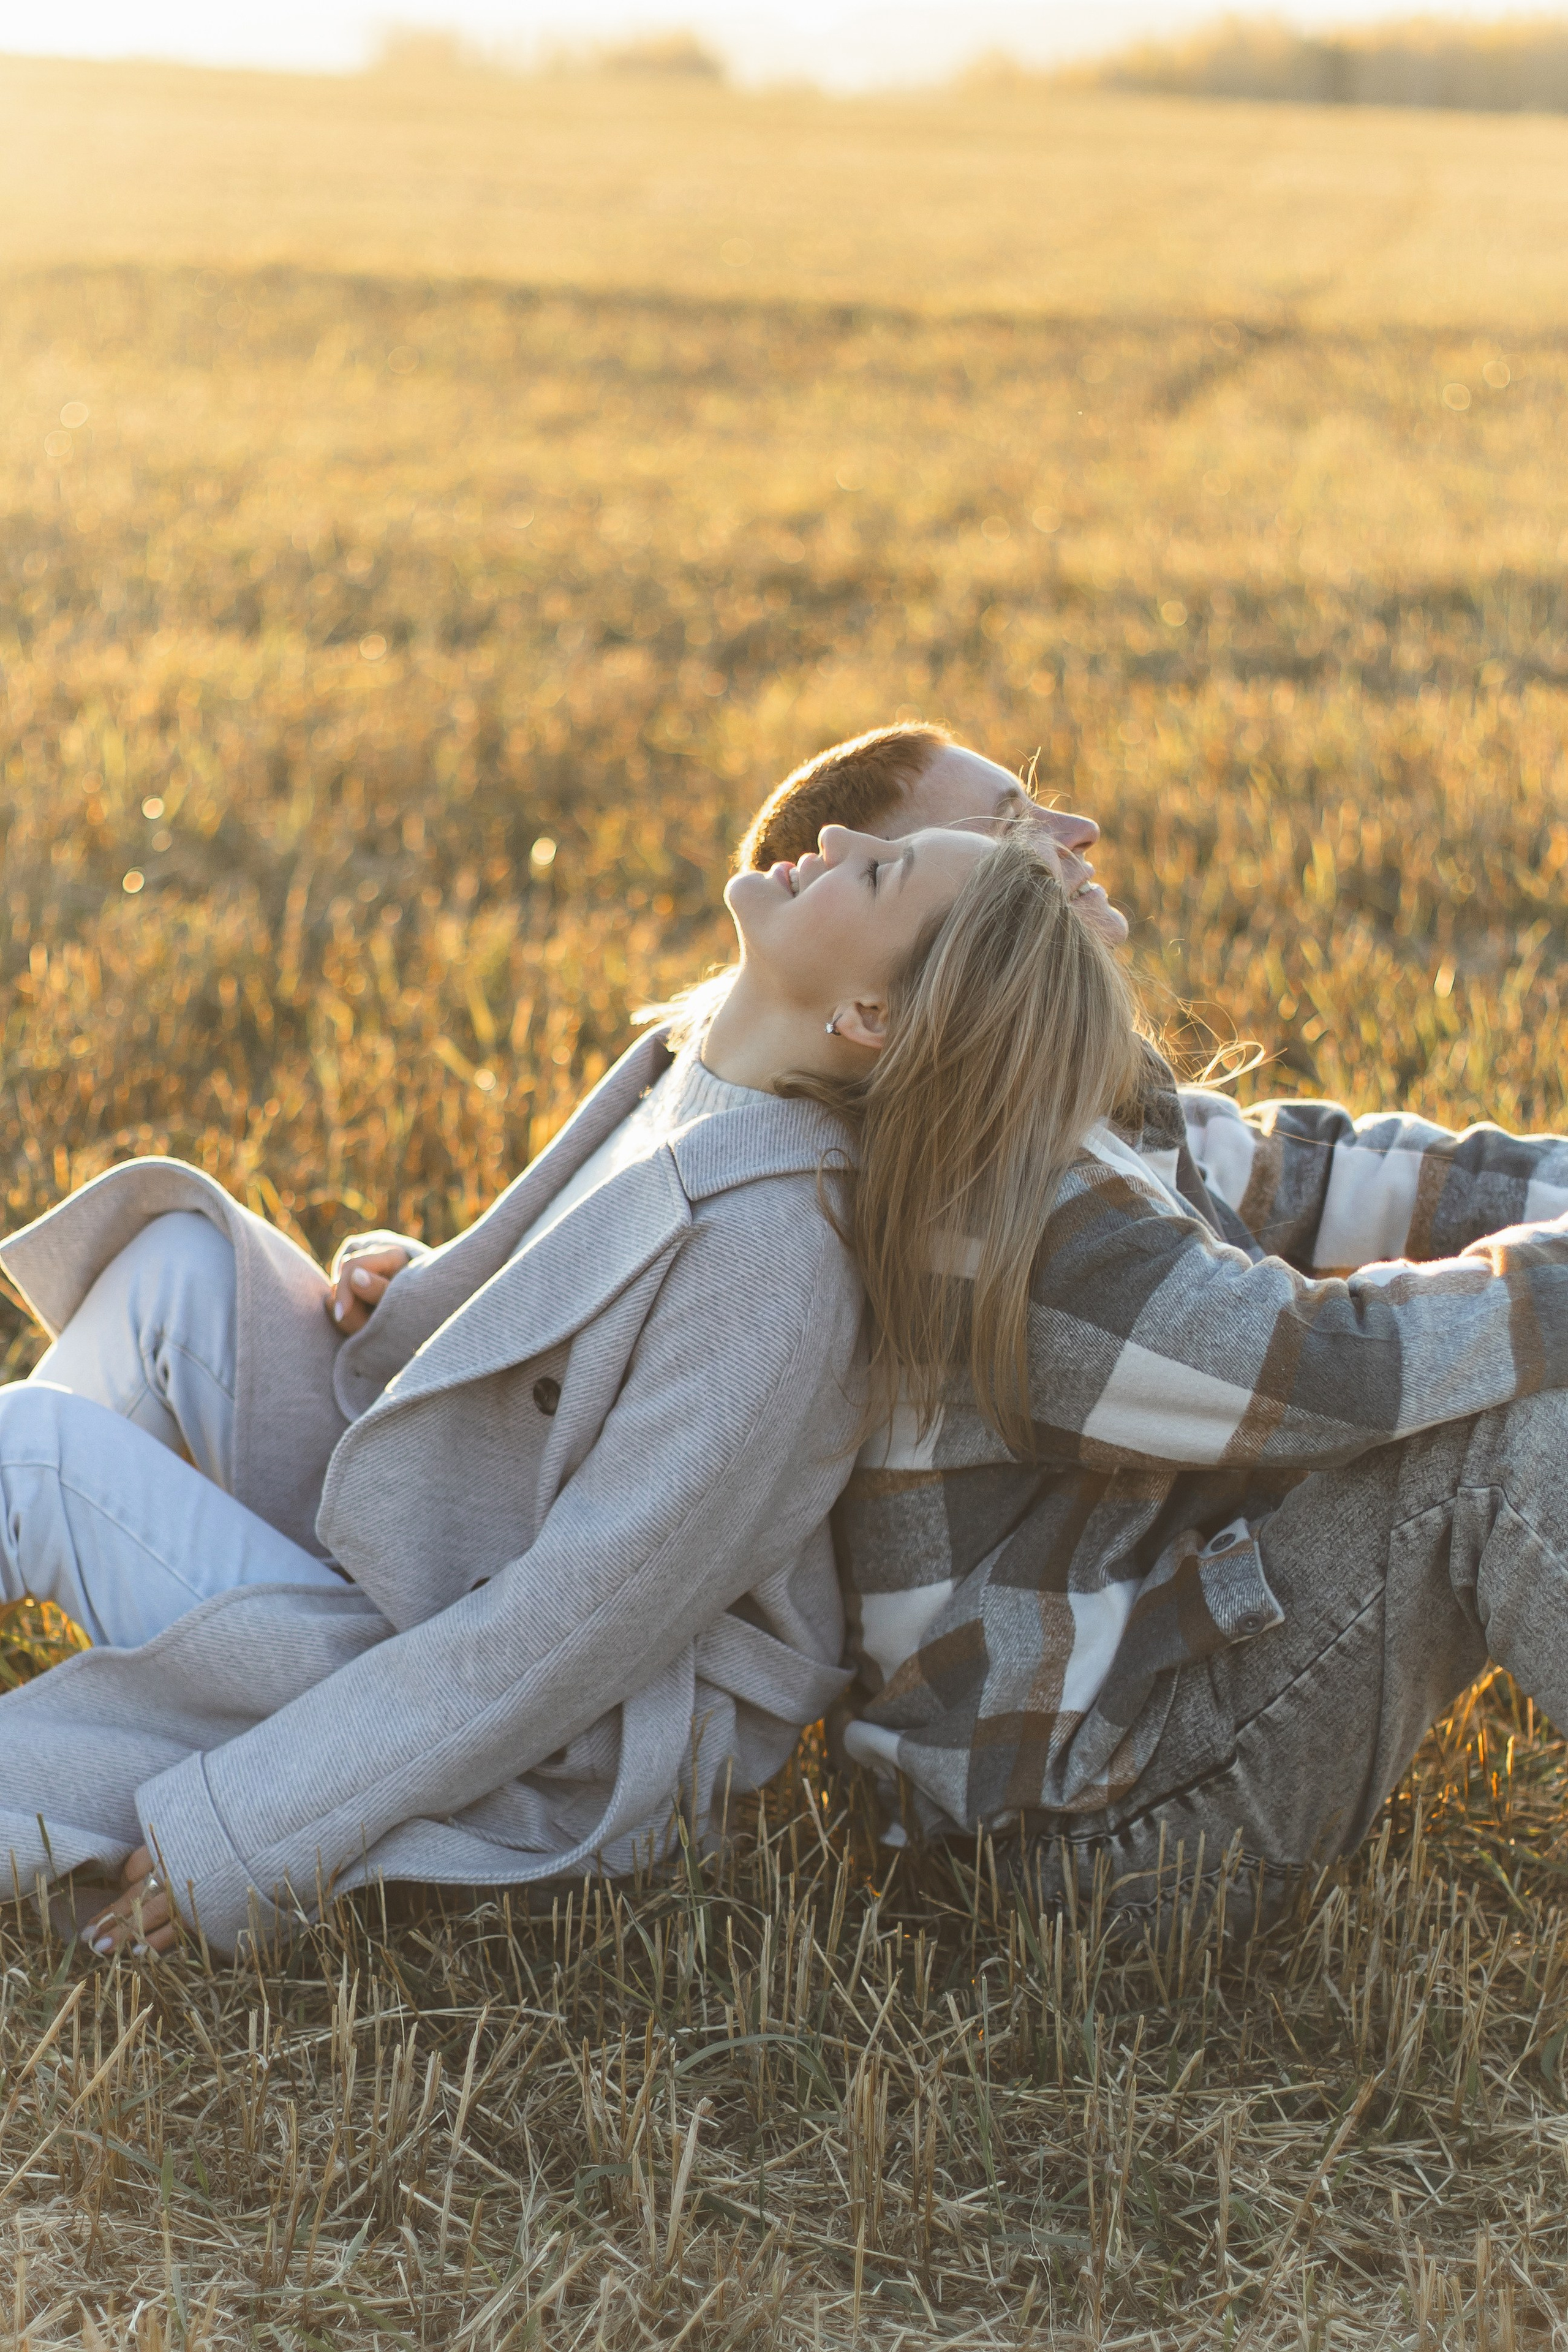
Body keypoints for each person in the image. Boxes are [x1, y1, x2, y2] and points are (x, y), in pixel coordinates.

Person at [0, 814, 1006, 1958]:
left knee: (33, 1456)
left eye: (877, 870)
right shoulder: (695, 1065)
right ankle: (159, 1659)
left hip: (514, 1713)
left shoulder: (777, 1266)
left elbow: (560, 1639)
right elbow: (563, 1304)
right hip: (436, 1531)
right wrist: (426, 1290)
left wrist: (252, 1827)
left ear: (866, 1017)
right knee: (175, 1269)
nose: (833, 832)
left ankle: (174, 1708)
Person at [744, 722, 1568, 1933]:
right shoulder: (1001, 1212)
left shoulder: (1079, 1113)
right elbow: (1321, 1369)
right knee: (1494, 1447)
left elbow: (1349, 1177)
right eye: (1010, 830)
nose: (1071, 836)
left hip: (1148, 1716)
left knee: (1505, 1340)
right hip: (1077, 1842)